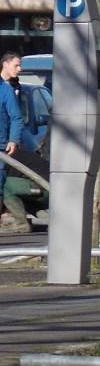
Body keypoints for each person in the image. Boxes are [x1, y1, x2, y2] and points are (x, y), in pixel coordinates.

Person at [0, 52, 29, 233]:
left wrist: (13, 139)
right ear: (5, 64)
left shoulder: (7, 90)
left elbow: (16, 117)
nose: (20, 69)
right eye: (16, 65)